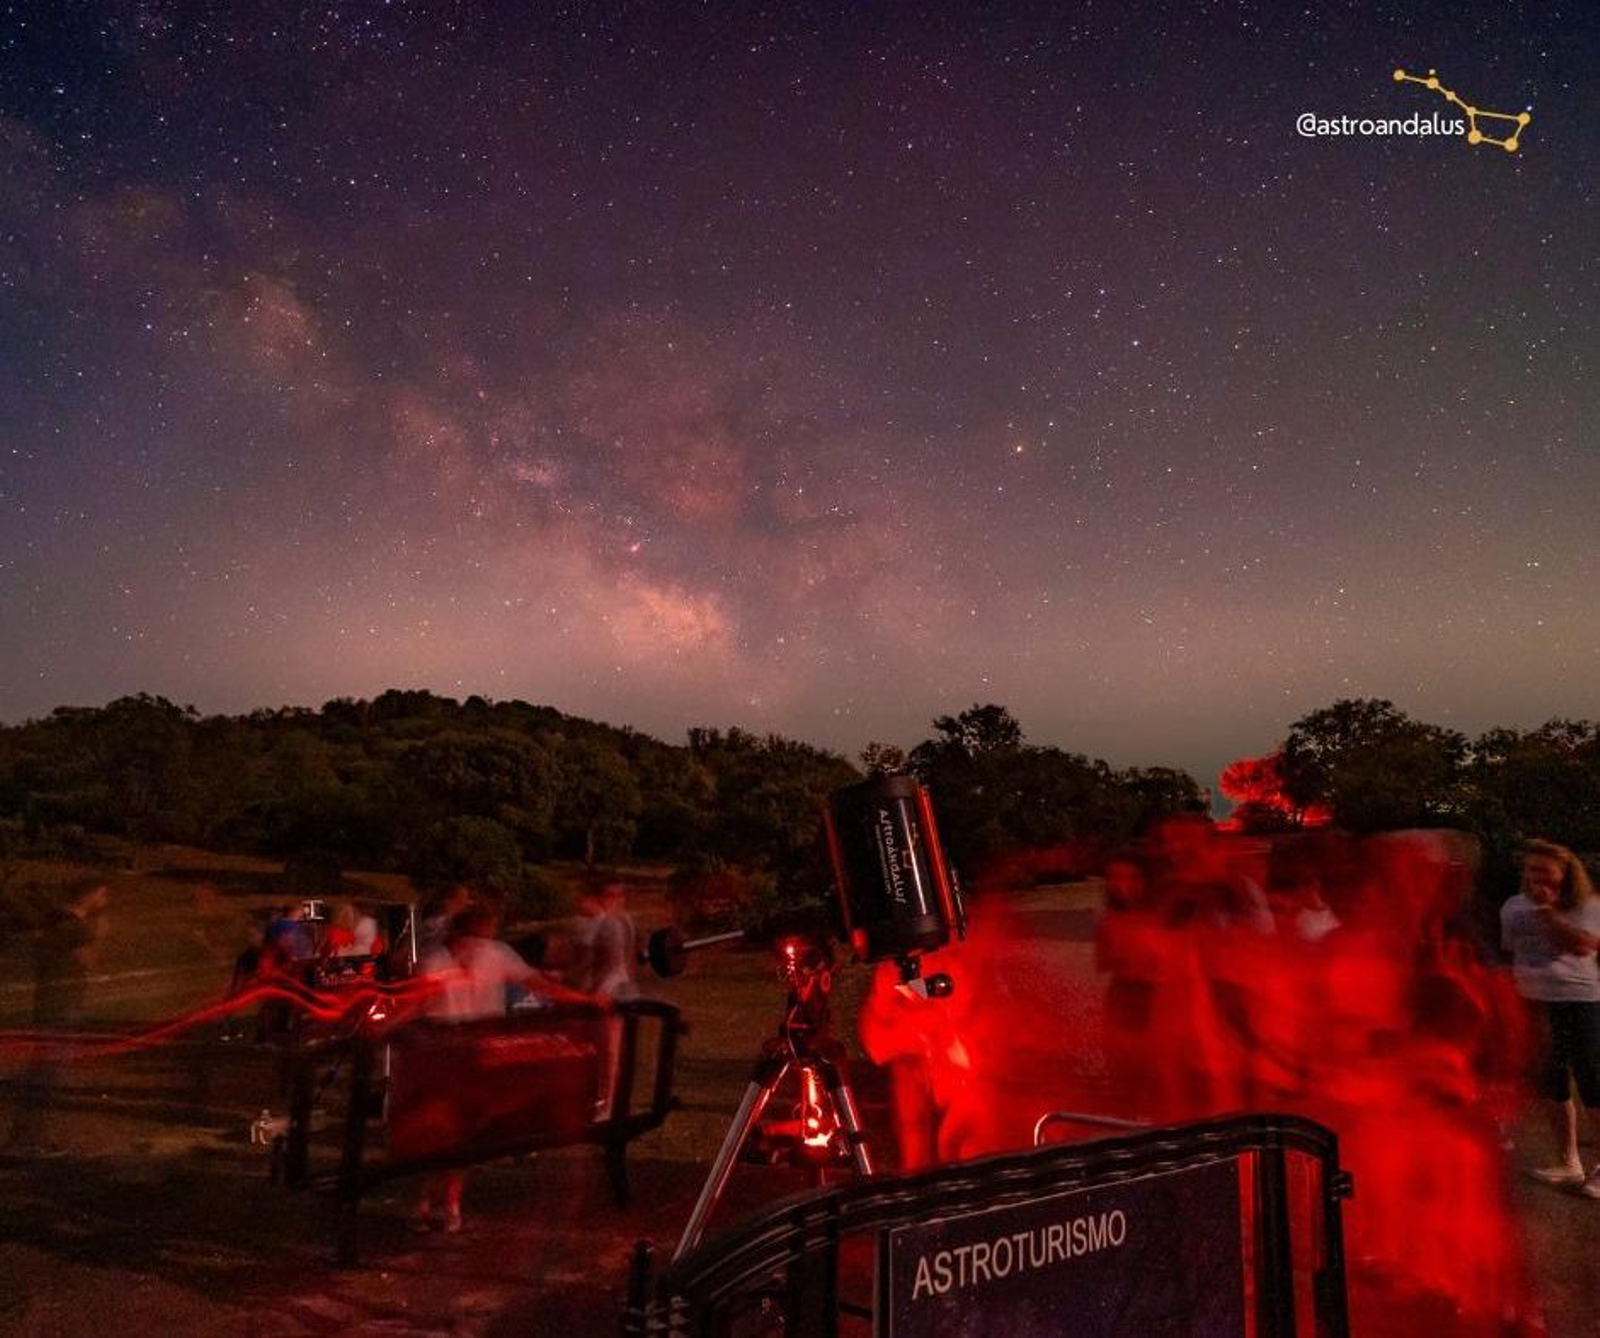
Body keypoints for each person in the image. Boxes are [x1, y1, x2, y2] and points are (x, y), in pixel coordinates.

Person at [410, 906, 601, 1232]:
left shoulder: (495, 955)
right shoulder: (435, 962)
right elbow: (416, 1002)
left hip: (477, 1057)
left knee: (459, 1134)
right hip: (445, 1057)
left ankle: (441, 1204)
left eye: (483, 939)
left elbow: (536, 983)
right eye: (473, 938)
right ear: (458, 937)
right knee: (446, 1134)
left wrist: (581, 1000)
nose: (477, 946)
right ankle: (434, 1202)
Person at [1500, 839, 1600, 1195]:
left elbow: (1583, 945)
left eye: (1542, 869)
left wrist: (1546, 912)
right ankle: (1569, 1161)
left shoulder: (1587, 905)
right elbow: (1512, 950)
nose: (1533, 876)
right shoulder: (1512, 906)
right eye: (1529, 869)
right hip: (1533, 1002)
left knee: (1593, 1084)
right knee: (1552, 1083)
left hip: (1578, 1001)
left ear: (1564, 873)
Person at [5, 879, 111, 1154]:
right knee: (48, 1074)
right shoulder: (76, 928)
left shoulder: (56, 922)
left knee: (42, 1071)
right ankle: (28, 1139)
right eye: (102, 891)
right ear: (90, 893)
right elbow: (90, 963)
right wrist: (100, 935)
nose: (106, 897)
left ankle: (26, 1136)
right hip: (63, 1007)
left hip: (47, 1004)